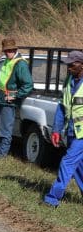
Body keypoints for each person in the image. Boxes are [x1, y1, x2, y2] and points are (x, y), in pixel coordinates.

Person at [44, 50, 83, 207]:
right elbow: (62, 107)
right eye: (67, 65)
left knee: (67, 162)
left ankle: (52, 198)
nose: (68, 68)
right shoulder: (68, 81)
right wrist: (56, 130)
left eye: (72, 65)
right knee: (78, 167)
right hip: (71, 130)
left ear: (81, 65)